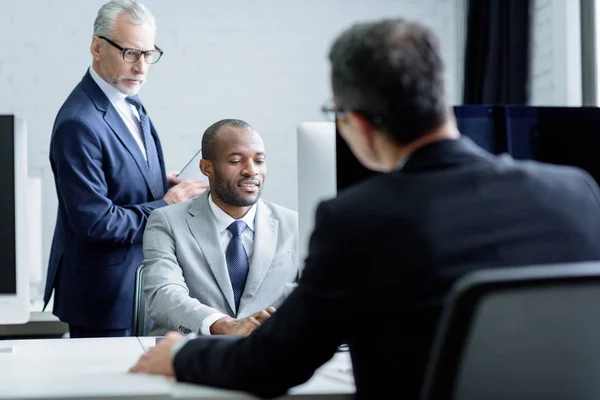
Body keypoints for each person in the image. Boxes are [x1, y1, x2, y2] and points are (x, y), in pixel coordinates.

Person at [130, 19, 600, 398]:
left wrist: (179, 356)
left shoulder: (356, 220)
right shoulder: (577, 192)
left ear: (353, 121)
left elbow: (272, 367)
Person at [43, 0, 206, 338]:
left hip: (138, 285)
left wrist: (160, 184)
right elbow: (96, 222)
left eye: (149, 54)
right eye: (131, 53)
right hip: (104, 298)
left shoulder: (126, 96)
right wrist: (167, 205)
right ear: (97, 47)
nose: (141, 67)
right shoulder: (78, 123)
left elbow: (116, 174)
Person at [142, 119, 299, 336]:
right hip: (192, 352)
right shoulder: (166, 221)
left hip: (271, 353)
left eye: (259, 161)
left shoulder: (296, 224)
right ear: (207, 168)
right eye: (236, 161)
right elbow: (164, 294)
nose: (251, 171)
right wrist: (224, 325)